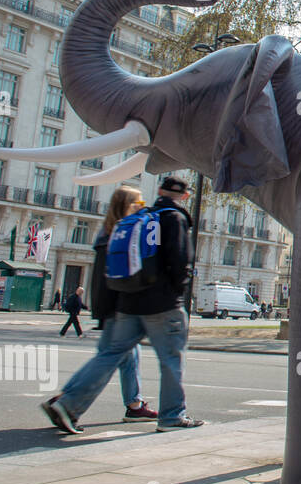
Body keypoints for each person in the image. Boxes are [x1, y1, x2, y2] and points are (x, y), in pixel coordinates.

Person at [42, 176, 204, 434]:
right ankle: (172, 416)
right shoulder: (174, 218)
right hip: (162, 303)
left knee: (110, 354)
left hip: (128, 302)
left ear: (159, 191)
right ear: (184, 196)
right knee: (171, 360)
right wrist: (178, 292)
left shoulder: (140, 217)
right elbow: (180, 260)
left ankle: (69, 404)